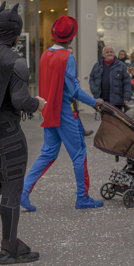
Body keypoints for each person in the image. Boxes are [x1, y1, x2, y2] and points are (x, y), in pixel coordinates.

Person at [21, 16, 105, 212]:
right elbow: (74, 90)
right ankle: (82, 198)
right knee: (79, 153)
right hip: (65, 111)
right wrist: (95, 102)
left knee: (48, 153)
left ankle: (23, 192)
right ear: (71, 37)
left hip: (48, 109)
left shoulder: (44, 55)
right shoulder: (68, 57)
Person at [0, 2, 44, 263]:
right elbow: (20, 101)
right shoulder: (16, 61)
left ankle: (11, 245)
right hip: (7, 134)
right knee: (11, 189)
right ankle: (8, 248)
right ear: (16, 33)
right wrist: (37, 103)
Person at [89, 46, 131, 110]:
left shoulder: (122, 66)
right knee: (104, 119)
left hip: (117, 101)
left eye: (111, 52)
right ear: (103, 55)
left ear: (114, 54)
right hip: (102, 101)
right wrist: (94, 91)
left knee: (116, 120)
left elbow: (127, 82)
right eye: (107, 52)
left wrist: (126, 97)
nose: (109, 53)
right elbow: (91, 78)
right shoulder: (97, 66)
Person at [67, 46, 93, 137]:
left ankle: (80, 130)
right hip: (68, 95)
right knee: (72, 113)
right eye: (68, 53)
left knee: (75, 112)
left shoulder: (71, 61)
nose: (70, 55)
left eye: (71, 53)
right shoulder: (66, 62)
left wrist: (75, 79)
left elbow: (73, 76)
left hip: (71, 94)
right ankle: (78, 131)